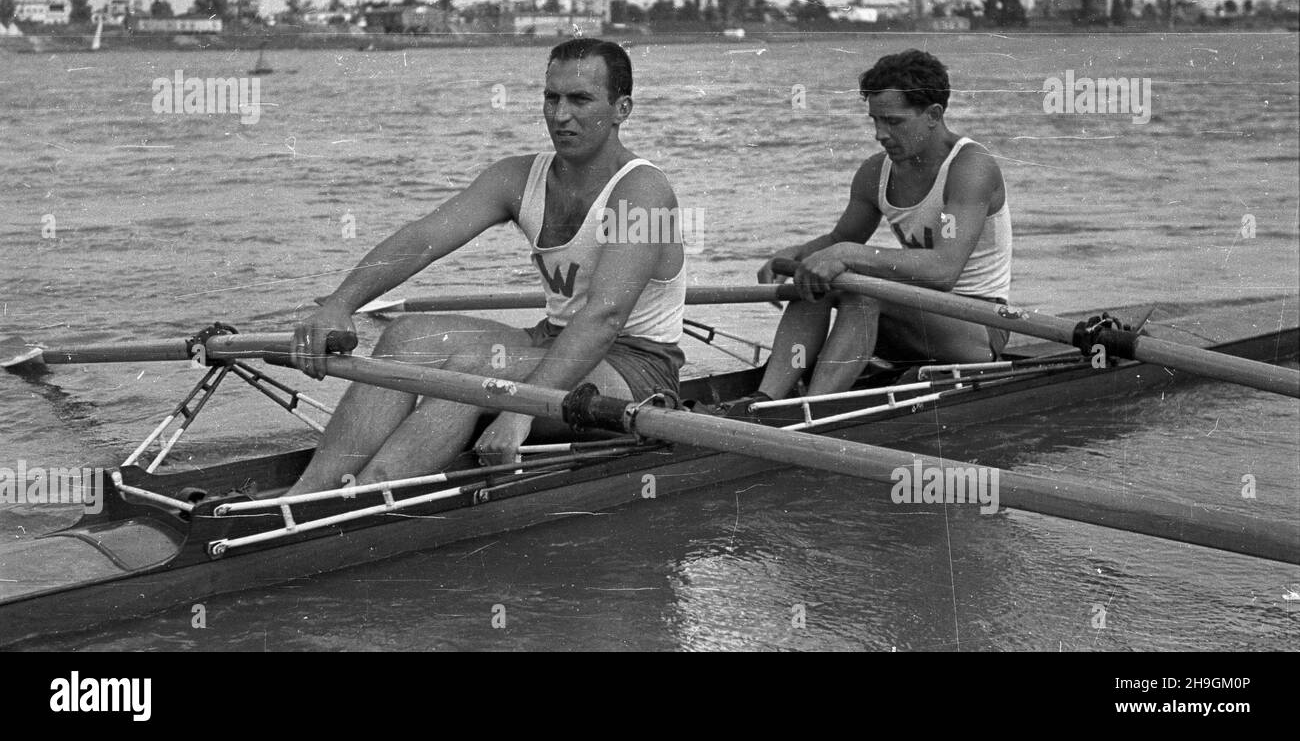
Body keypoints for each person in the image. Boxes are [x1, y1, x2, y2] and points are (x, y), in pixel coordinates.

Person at [285, 38, 686, 494]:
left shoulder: (644, 190)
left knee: (476, 368)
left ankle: (371, 492)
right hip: (553, 341)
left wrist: (520, 413)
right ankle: (309, 491)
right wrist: (340, 305)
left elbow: (604, 318)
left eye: (580, 99)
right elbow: (422, 239)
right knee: (406, 336)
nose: (560, 115)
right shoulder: (518, 177)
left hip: (634, 368)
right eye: (551, 97)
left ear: (622, 108)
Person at [741, 49, 1011, 410]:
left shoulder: (970, 168)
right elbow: (840, 240)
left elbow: (945, 270)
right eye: (875, 121)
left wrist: (844, 256)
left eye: (894, 122)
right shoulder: (875, 173)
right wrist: (796, 255)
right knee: (815, 284)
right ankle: (764, 400)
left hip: (977, 325)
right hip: (911, 318)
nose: (880, 134)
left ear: (934, 115)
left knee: (865, 292)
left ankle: (814, 411)